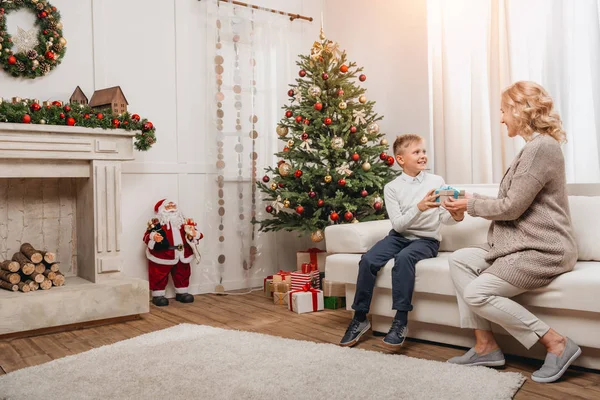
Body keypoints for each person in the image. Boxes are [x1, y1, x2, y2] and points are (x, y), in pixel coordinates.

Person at [444, 81, 580, 383]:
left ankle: (556, 343)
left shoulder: (541, 148)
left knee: (477, 293)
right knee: (459, 260)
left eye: (504, 110)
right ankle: (485, 346)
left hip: (544, 249)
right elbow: (513, 202)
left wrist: (470, 204)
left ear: (520, 110)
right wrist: (468, 202)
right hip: (520, 244)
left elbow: (512, 207)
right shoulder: (535, 147)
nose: (501, 117)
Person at [340, 133, 464, 348]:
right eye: (416, 152)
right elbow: (398, 225)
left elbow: (442, 217)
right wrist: (420, 207)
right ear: (400, 159)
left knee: (404, 259)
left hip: (426, 240)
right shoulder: (392, 187)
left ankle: (400, 321)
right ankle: (359, 318)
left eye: (424, 151)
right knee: (368, 260)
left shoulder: (437, 181)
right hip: (399, 236)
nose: (423, 156)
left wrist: (456, 216)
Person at [143, 199, 203, 307]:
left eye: (173, 206)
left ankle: (182, 292)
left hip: (182, 254)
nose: (171, 208)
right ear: (162, 210)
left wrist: (193, 234)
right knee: (159, 274)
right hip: (163, 254)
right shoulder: (157, 224)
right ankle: (158, 295)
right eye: (168, 206)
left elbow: (194, 234)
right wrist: (154, 237)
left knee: (183, 272)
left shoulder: (183, 221)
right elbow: (147, 236)